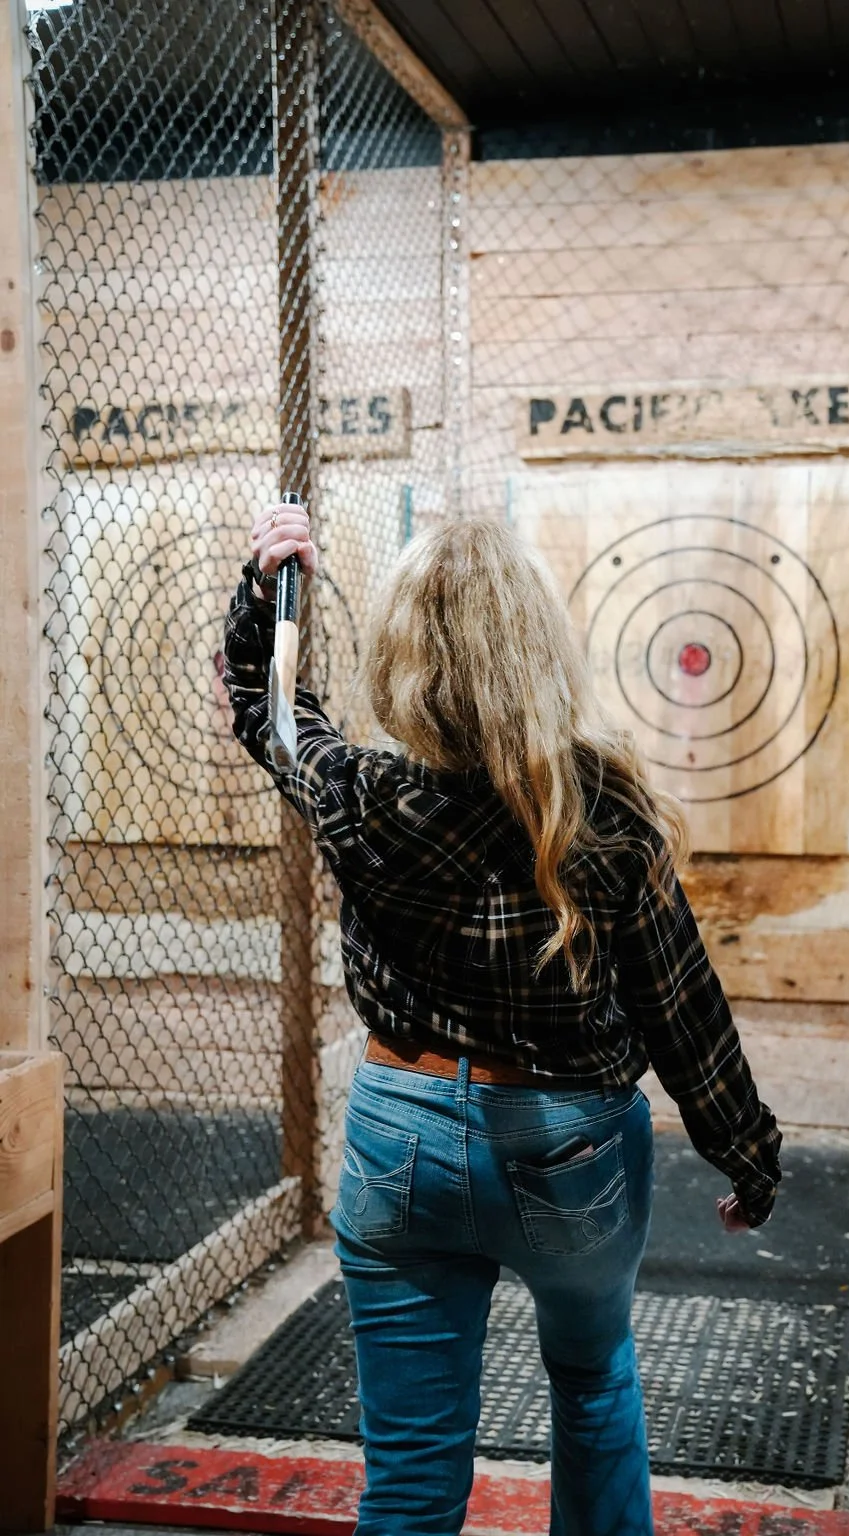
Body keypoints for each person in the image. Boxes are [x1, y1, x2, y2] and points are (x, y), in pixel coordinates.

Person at [223, 501, 782, 1536]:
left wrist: (268, 591)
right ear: (534, 649)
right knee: (592, 1382)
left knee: (411, 1474)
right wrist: (746, 1155)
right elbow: (681, 1012)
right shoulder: (603, 809)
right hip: (565, 1144)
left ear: (405, 660)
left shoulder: (362, 793)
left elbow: (271, 716)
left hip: (398, 1134)